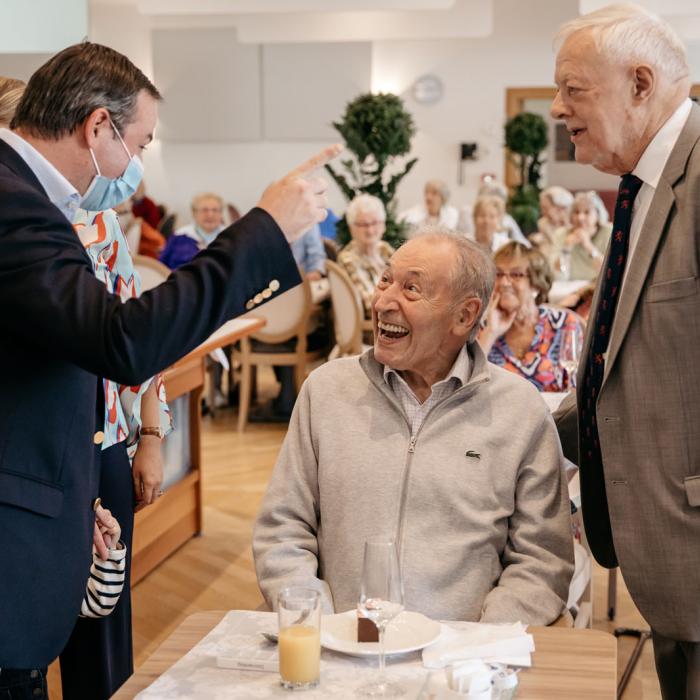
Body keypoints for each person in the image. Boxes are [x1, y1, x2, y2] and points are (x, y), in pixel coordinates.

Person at [0, 41, 339, 688]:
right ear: (97, 126)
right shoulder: (15, 203)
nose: (138, 163)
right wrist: (264, 227)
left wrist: (73, 495)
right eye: (141, 142)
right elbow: (119, 340)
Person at [254, 229, 573, 623]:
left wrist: (479, 650)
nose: (384, 302)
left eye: (411, 289)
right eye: (385, 280)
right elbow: (283, 529)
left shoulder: (520, 411)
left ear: (464, 315)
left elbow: (542, 561)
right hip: (343, 647)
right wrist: (312, 622)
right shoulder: (326, 392)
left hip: (463, 663)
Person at [551, 5, 700, 696]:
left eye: (573, 89)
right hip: (667, 557)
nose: (557, 109)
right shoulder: (642, 183)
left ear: (640, 84)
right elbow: (630, 370)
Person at [477, 242, 584, 393]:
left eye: (516, 274)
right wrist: (490, 333)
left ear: (536, 284)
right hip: (500, 415)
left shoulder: (563, 324)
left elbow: (577, 390)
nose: (504, 282)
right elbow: (467, 389)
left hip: (556, 415)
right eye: (498, 274)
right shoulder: (480, 328)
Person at [337, 194, 394, 319]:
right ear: (352, 228)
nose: (370, 230)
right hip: (376, 328)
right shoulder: (348, 259)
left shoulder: (384, 249)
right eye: (364, 225)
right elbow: (370, 304)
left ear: (383, 225)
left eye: (375, 223)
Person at [552, 191, 611, 281]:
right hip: (570, 286)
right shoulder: (561, 234)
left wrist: (588, 246)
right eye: (576, 212)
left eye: (587, 212)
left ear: (598, 215)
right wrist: (566, 247)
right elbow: (559, 275)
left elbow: (609, 271)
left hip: (598, 286)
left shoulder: (609, 232)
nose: (580, 217)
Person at [158, 192, 226, 269]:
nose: (210, 215)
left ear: (221, 213)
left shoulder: (231, 238)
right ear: (194, 213)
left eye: (215, 210)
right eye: (204, 210)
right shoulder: (178, 237)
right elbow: (161, 266)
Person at [531, 185, 574, 254]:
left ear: (560, 208)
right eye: (541, 208)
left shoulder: (575, 223)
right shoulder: (543, 223)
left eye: (545, 208)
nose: (542, 212)